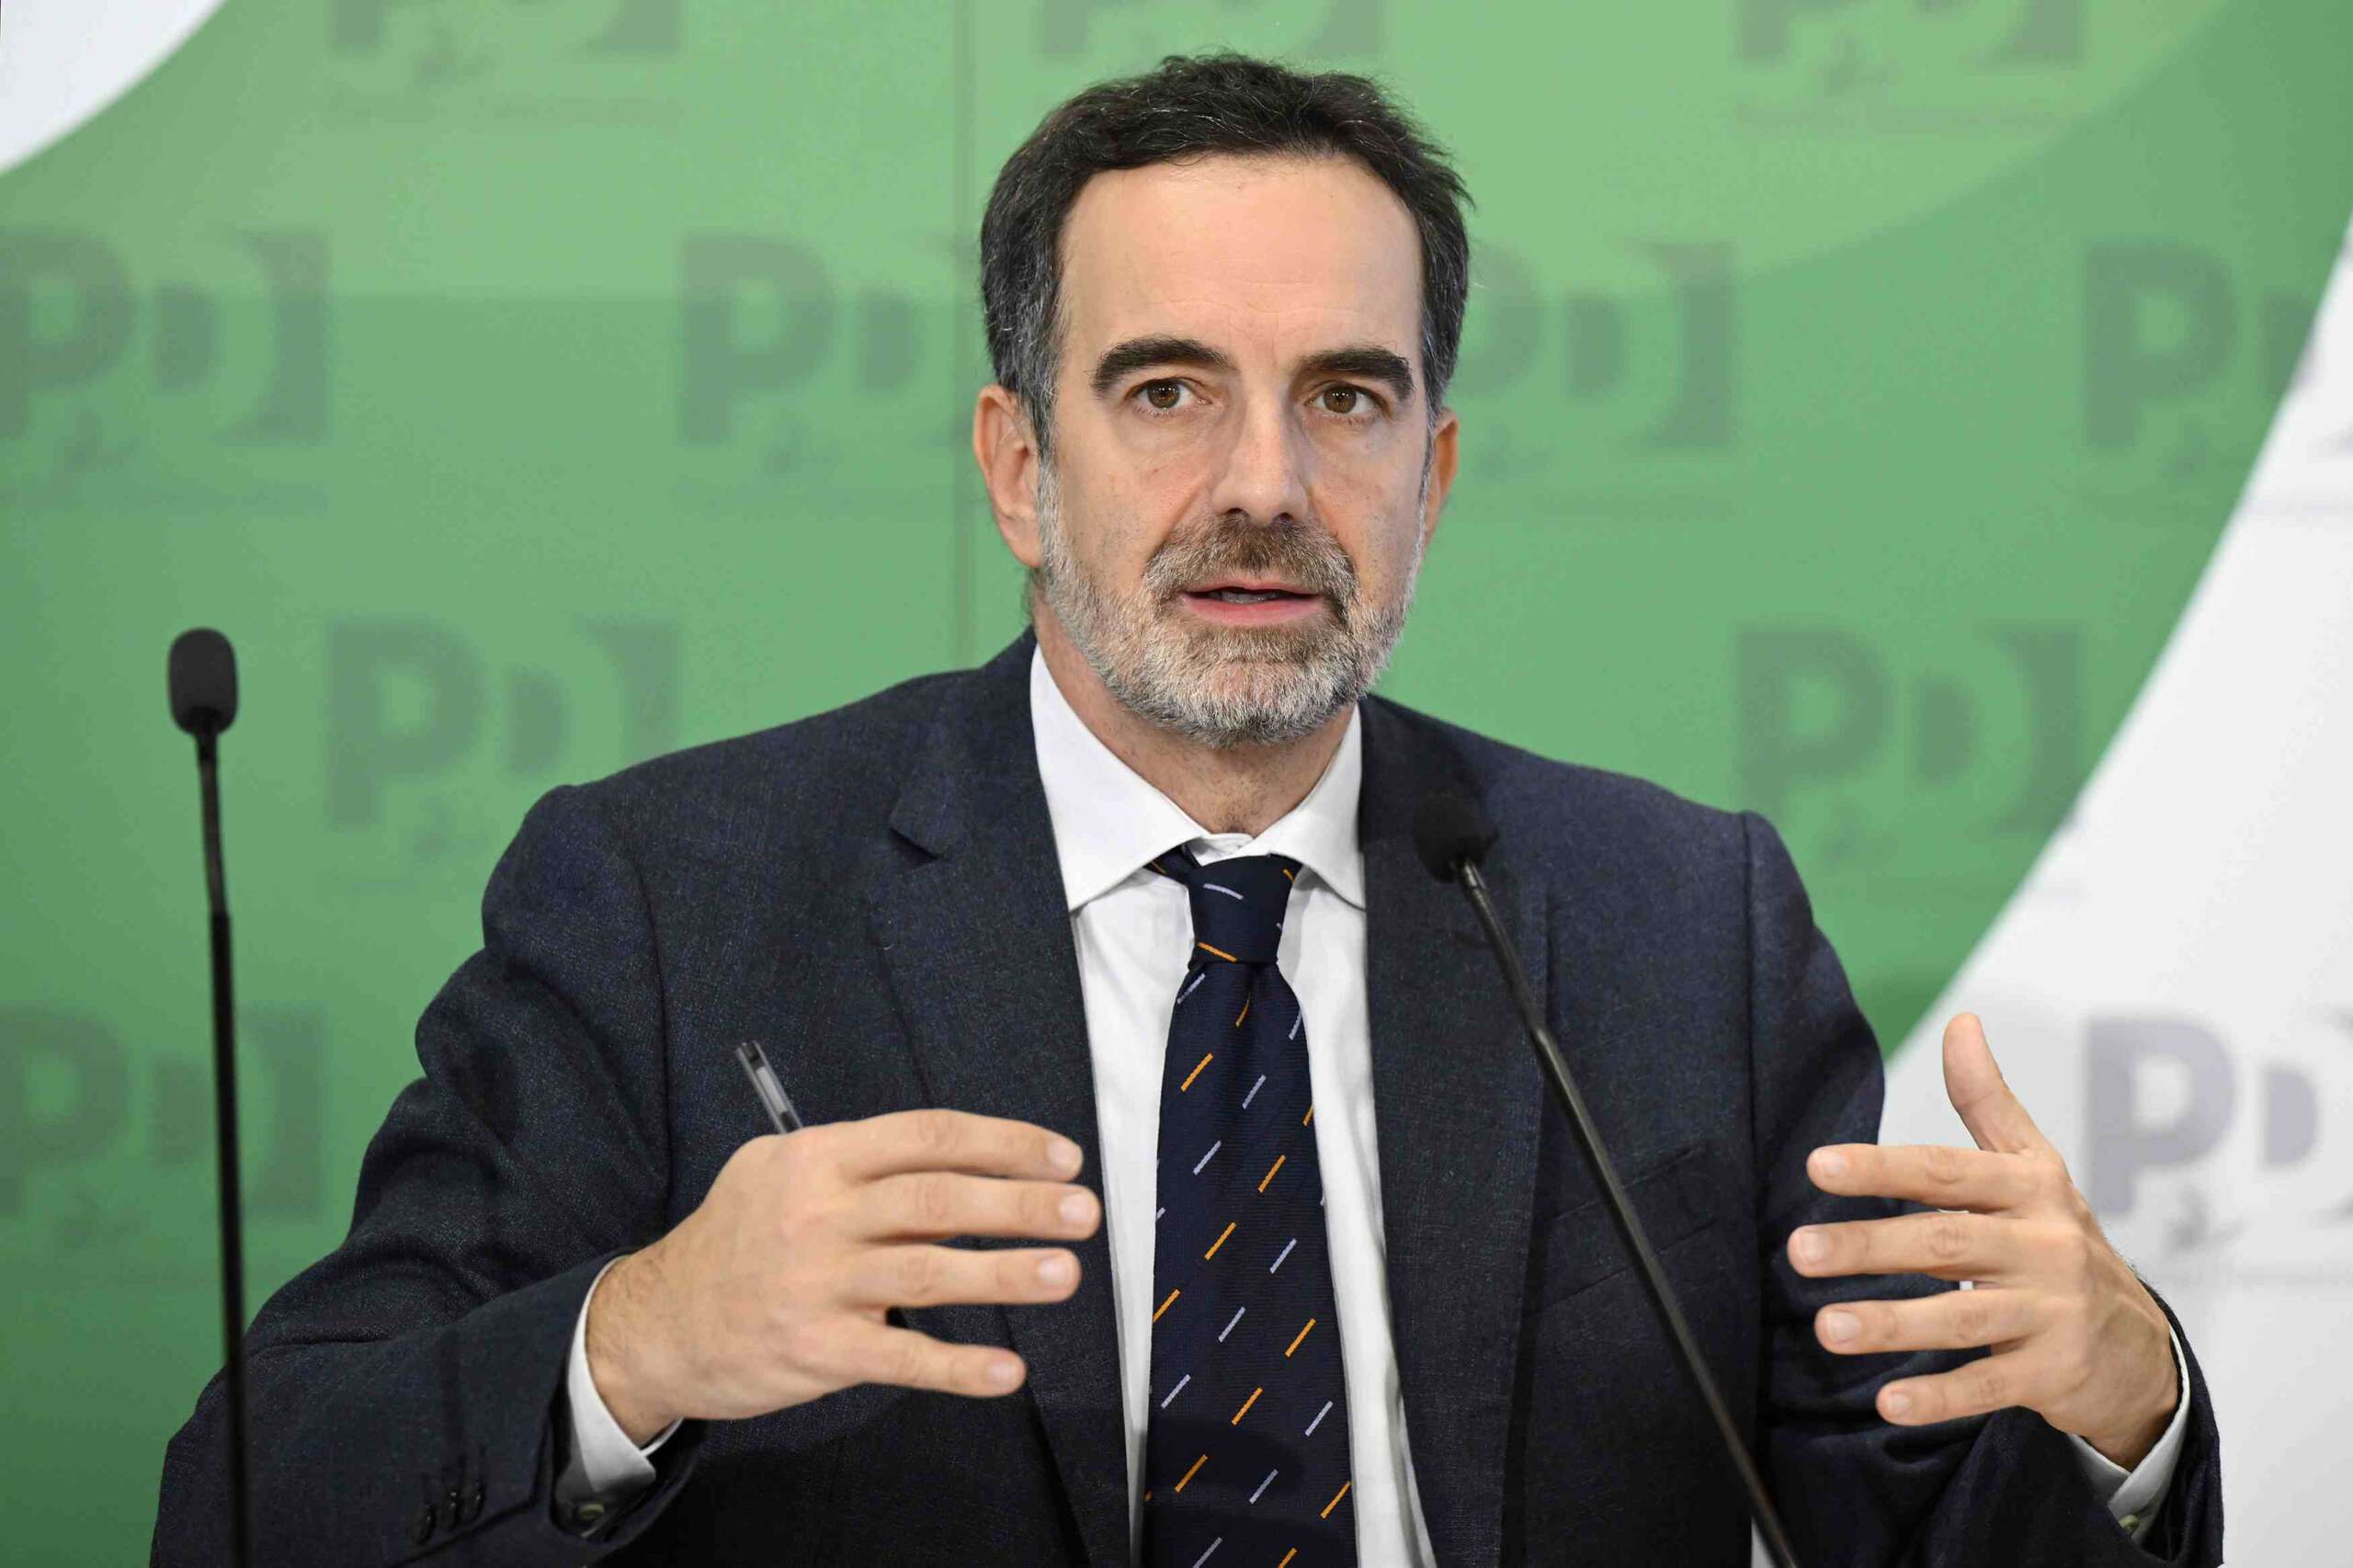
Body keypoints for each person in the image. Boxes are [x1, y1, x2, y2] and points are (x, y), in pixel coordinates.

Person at [154, 51, 2218, 1567]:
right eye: (1164, 392)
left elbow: (1905, 1522)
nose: (1261, 487)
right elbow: (251, 1499)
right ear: (1015, 467)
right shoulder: (673, 905)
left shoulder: (1678, 923)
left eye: (1346, 397)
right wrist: (643, 1339)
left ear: (1433, 474)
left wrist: (2123, 1399)